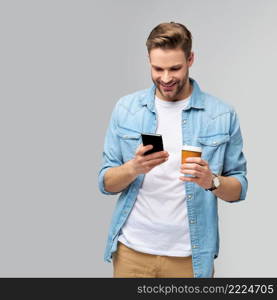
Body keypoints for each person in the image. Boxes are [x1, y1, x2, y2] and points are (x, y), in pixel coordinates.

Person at [98, 22, 248, 278]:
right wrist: (133, 168)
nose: (165, 78)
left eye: (175, 68)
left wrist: (210, 181)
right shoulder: (126, 109)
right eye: (158, 68)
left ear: (190, 59)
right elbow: (106, 183)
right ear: (148, 60)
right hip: (131, 254)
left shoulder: (221, 114)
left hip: (190, 259)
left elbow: (239, 189)